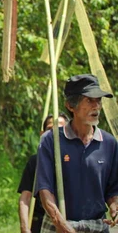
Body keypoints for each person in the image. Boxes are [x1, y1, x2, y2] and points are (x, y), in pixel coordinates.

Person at [36, 74, 118, 233]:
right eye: (89, 100)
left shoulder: (109, 143)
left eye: (98, 100)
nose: (97, 106)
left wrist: (115, 208)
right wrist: (60, 223)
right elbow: (44, 190)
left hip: (97, 227)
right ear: (70, 106)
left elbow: (113, 190)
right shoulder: (51, 140)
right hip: (59, 225)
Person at [18, 113, 68, 233]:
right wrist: (25, 227)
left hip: (69, 222)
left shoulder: (75, 159)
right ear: (42, 133)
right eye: (50, 129)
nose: (55, 133)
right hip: (39, 224)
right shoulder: (36, 161)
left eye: (60, 128)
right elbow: (25, 197)